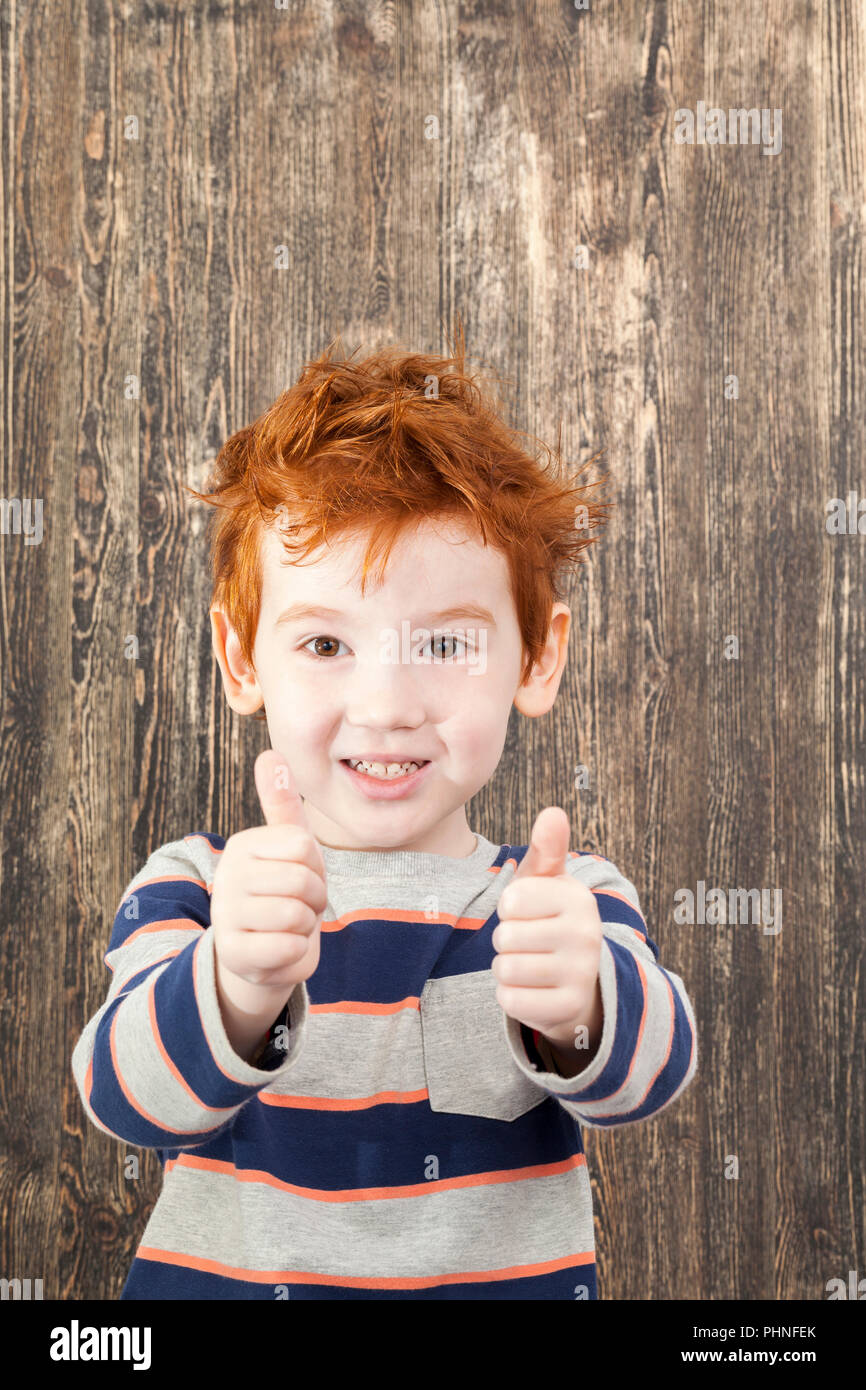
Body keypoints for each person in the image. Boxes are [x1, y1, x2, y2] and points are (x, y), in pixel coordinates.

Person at [72, 332, 697, 1299]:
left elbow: (648, 1077)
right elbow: (124, 1099)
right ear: (243, 662)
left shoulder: (562, 899)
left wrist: (585, 1010)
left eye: (446, 644)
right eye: (325, 643)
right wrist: (234, 989)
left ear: (535, 658)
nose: (387, 704)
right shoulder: (198, 889)